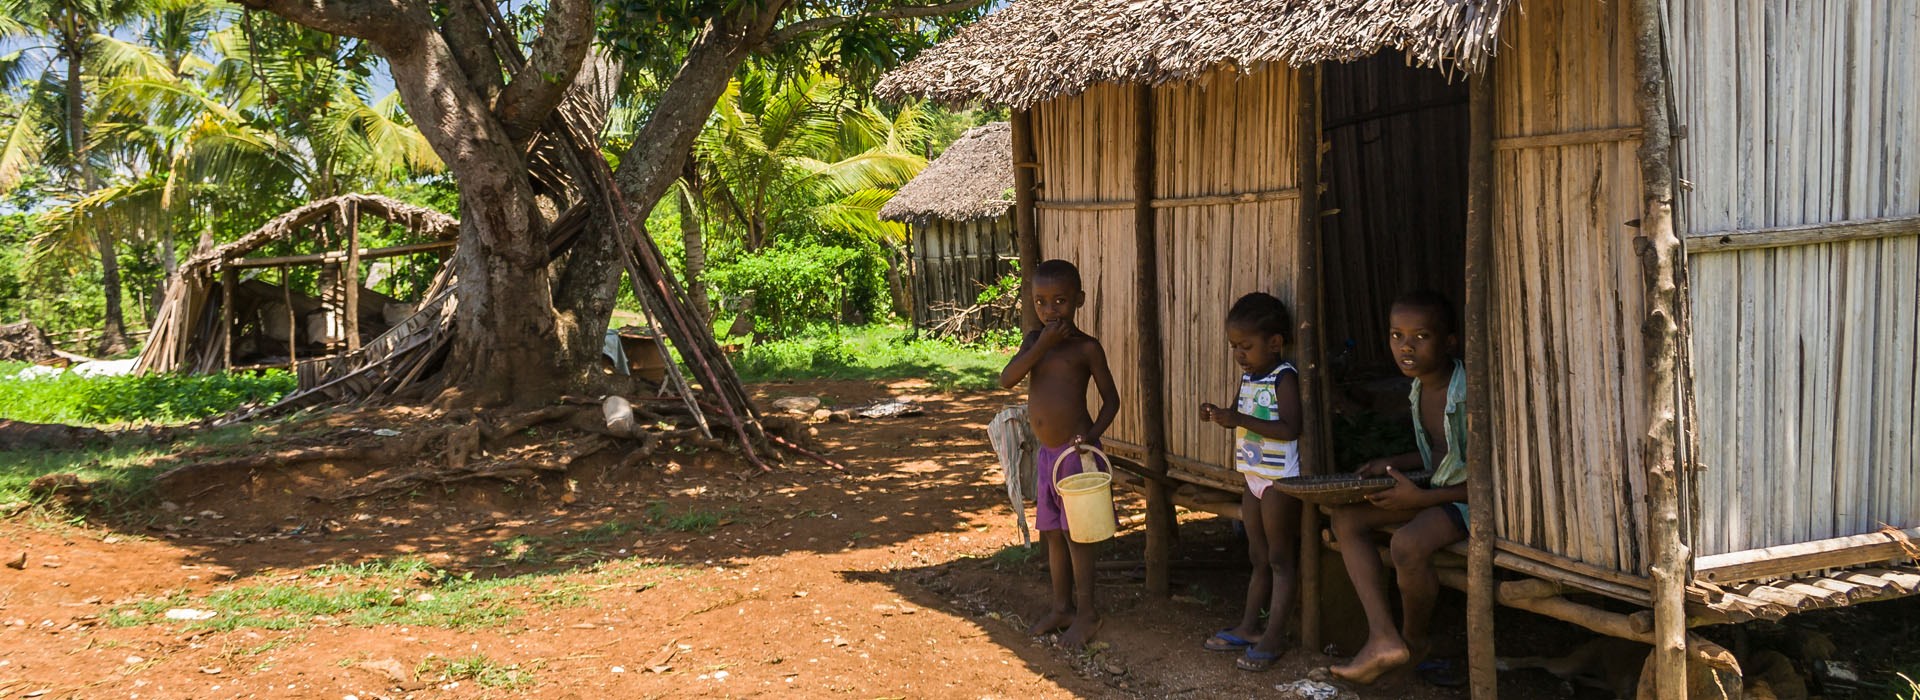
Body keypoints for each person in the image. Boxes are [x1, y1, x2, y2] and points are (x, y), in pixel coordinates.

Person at [1327, 289, 1470, 685]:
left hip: (1471, 503)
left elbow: (1487, 482)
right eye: (1396, 336)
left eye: (1421, 337)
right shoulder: (1420, 386)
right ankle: (1383, 636)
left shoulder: (1467, 392)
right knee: (1346, 517)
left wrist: (1421, 498)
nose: (1406, 347)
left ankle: (1415, 640)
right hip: (1440, 491)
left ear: (1449, 342)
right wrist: (1392, 465)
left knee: (1406, 544)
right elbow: (1439, 454)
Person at [998, 258, 1120, 649]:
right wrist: (1043, 344)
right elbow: (1007, 378)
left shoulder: (1087, 348)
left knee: (1078, 537)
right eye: (1041, 302)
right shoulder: (1035, 342)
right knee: (1052, 533)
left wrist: (1092, 437)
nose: (1051, 311)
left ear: (1079, 300)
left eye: (1060, 301)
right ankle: (1061, 607)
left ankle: (1088, 615)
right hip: (1048, 456)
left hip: (1075, 457)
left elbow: (1112, 401)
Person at [1198, 292, 1304, 672]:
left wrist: (1237, 420)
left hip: (1278, 481)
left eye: (1246, 346)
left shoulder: (1284, 377)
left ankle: (1274, 636)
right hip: (1253, 477)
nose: (1239, 353)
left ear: (1274, 343)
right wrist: (1219, 414)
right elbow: (1239, 413)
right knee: (1257, 556)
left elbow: (1291, 428)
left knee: (1279, 559)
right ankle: (1249, 627)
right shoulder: (1249, 377)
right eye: (1234, 347)